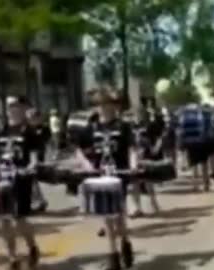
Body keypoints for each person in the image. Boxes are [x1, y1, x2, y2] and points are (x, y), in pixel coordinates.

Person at [77, 89, 135, 270]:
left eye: (107, 104)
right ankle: (113, 256)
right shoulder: (90, 128)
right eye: (99, 105)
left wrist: (133, 165)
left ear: (114, 106)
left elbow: (132, 148)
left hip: (119, 175)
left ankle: (125, 242)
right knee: (106, 216)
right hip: (100, 177)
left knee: (118, 215)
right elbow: (78, 149)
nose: (103, 108)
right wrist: (86, 164)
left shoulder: (123, 126)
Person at [0, 96, 40, 268]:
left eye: (15, 106)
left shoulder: (29, 131)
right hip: (3, 179)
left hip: (21, 179)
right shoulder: (0, 130)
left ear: (23, 109)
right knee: (3, 219)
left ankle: (32, 246)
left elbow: (34, 158)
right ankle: (12, 257)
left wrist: (29, 167)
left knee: (19, 219)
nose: (12, 109)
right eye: (9, 106)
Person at [26, 108, 50, 212]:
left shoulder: (43, 128)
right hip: (29, 156)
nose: (32, 120)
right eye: (30, 118)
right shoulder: (28, 129)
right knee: (32, 179)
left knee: (33, 178)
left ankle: (39, 200)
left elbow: (45, 140)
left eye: (34, 117)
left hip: (38, 155)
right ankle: (39, 200)